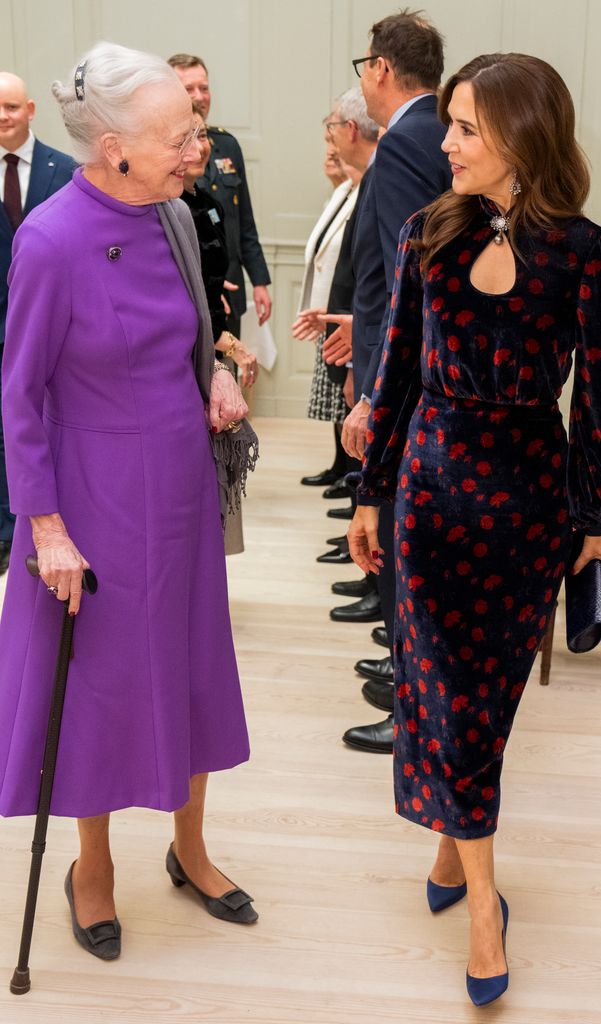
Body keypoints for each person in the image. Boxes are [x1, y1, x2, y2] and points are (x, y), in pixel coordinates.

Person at [348, 52, 601, 1006]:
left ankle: (449, 844)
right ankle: (481, 906)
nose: (449, 144)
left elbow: (599, 400)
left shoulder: (589, 252)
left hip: (527, 506)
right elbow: (395, 376)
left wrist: (598, 519)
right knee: (442, 688)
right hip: (431, 495)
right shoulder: (428, 233)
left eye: (467, 128)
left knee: (485, 701)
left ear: (522, 134)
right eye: (451, 125)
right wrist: (371, 494)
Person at [0, 42, 257, 963]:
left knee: (191, 669)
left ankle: (190, 850)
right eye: (177, 136)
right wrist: (46, 528)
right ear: (113, 148)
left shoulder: (177, 217)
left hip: (181, 488)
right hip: (93, 498)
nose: (197, 148)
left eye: (195, 130)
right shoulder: (51, 240)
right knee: (99, 689)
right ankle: (94, 866)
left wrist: (212, 377)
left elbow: (186, 338)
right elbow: (18, 395)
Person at [322, 11, 452, 750]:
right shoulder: (435, 131)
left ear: (379, 68)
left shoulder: (405, 139)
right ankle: (409, 680)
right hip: (407, 367)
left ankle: (411, 710)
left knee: (402, 544)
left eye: (362, 65)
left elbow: (410, 277)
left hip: (405, 378)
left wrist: (377, 387)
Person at [0, 71, 77, 576]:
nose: (2, 117)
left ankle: (25, 527)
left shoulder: (65, 170)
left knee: (34, 425)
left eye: (10, 107)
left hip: (45, 329)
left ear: (30, 110)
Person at [169, 53, 272, 339]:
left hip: (231, 283)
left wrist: (259, 280)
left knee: (231, 363)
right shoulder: (166, 152)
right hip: (191, 292)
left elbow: (244, 220)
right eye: (189, 89)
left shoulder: (227, 145)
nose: (199, 96)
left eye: (204, 87)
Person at [180, 104, 259, 385]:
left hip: (212, 337)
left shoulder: (209, 204)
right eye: (187, 139)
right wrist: (231, 345)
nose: (199, 149)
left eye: (202, 136)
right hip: (186, 350)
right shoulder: (166, 209)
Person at [294, 136, 355, 495]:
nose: (331, 153)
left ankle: (351, 474)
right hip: (328, 311)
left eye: (335, 143)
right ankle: (340, 467)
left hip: (341, 311)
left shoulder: (358, 192)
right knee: (337, 396)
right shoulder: (341, 192)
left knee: (346, 395)